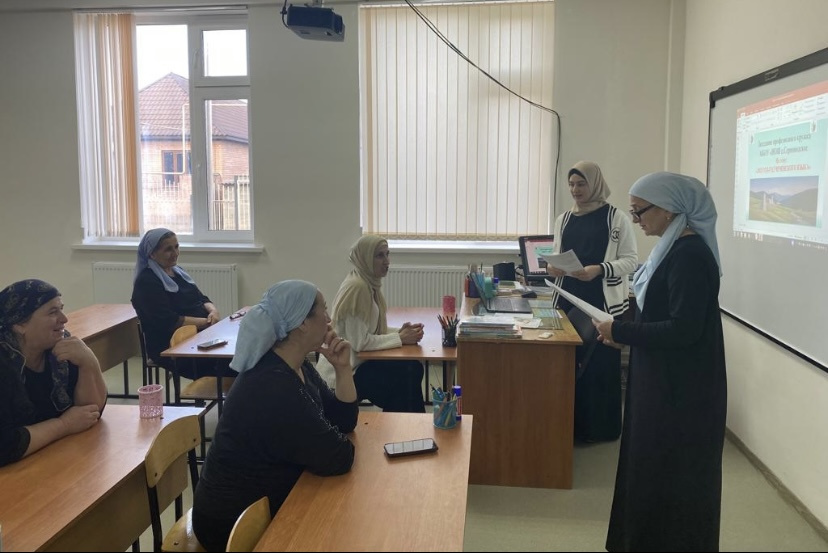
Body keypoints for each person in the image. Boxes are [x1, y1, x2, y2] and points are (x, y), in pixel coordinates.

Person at [594, 172, 726, 552]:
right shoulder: (669, 249)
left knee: (673, 478)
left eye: (640, 212)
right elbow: (657, 315)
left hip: (683, 393)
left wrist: (622, 331)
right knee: (648, 469)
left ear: (668, 209)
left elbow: (684, 330)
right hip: (660, 380)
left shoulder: (690, 256)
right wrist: (621, 333)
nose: (636, 220)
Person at [192, 280, 358, 551]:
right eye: (323, 311)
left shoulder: (295, 364)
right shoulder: (273, 383)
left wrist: (343, 369)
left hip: (261, 502)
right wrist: (328, 435)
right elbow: (339, 457)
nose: (329, 319)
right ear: (301, 323)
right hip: (229, 523)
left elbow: (344, 421)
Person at [546, 161, 638, 442]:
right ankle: (569, 429)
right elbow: (556, 254)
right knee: (567, 365)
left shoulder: (616, 218)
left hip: (602, 303)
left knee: (599, 368)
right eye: (571, 184)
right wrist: (552, 267)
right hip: (567, 300)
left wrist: (599, 269)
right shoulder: (563, 219)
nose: (575, 190)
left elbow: (630, 261)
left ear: (595, 184)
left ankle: (600, 430)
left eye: (581, 184)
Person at [0, 279, 107, 467]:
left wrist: (89, 363)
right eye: (52, 312)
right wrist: (63, 425)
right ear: (20, 324)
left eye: (61, 309)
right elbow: (5, 446)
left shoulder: (60, 348)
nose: (64, 319)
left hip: (49, 457)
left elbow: (90, 412)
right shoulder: (4, 366)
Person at [317, 235, 426, 413]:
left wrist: (400, 333)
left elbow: (369, 330)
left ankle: (406, 424)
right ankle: (406, 425)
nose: (387, 261)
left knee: (411, 369)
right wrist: (400, 338)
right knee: (407, 374)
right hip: (343, 373)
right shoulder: (358, 287)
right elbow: (360, 343)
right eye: (379, 256)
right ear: (366, 258)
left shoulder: (367, 283)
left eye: (387, 254)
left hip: (358, 364)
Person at [131, 227, 228, 382]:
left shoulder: (178, 272)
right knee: (231, 364)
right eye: (168, 249)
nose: (175, 253)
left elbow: (201, 298)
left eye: (176, 247)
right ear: (152, 254)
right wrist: (207, 322)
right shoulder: (147, 282)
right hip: (171, 346)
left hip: (199, 335)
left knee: (238, 356)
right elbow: (168, 320)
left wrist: (213, 311)